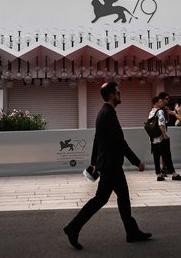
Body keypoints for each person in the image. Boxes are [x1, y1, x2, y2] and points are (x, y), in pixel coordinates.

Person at [63, 82, 152, 250]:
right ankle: (73, 227)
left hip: (108, 164)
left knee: (122, 197)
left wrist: (94, 162)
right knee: (101, 199)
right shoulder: (108, 114)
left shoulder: (102, 113)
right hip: (111, 166)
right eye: (118, 92)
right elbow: (119, 142)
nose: (120, 94)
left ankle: (131, 231)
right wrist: (136, 161)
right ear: (111, 95)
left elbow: (97, 140)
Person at [155, 92, 181, 181]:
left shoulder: (160, 109)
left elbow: (168, 119)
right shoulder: (161, 110)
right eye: (167, 99)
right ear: (162, 99)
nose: (168, 100)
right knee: (165, 153)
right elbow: (161, 123)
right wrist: (165, 134)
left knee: (161, 154)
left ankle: (162, 171)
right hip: (162, 134)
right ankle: (169, 172)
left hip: (159, 134)